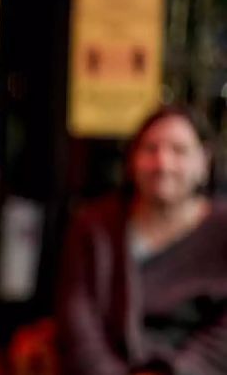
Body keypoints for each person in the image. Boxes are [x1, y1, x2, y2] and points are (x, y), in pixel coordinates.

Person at [57, 105, 227, 374]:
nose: (163, 163)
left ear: (204, 161)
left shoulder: (221, 231)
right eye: (151, 149)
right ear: (132, 161)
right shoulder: (93, 227)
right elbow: (78, 324)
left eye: (179, 150)